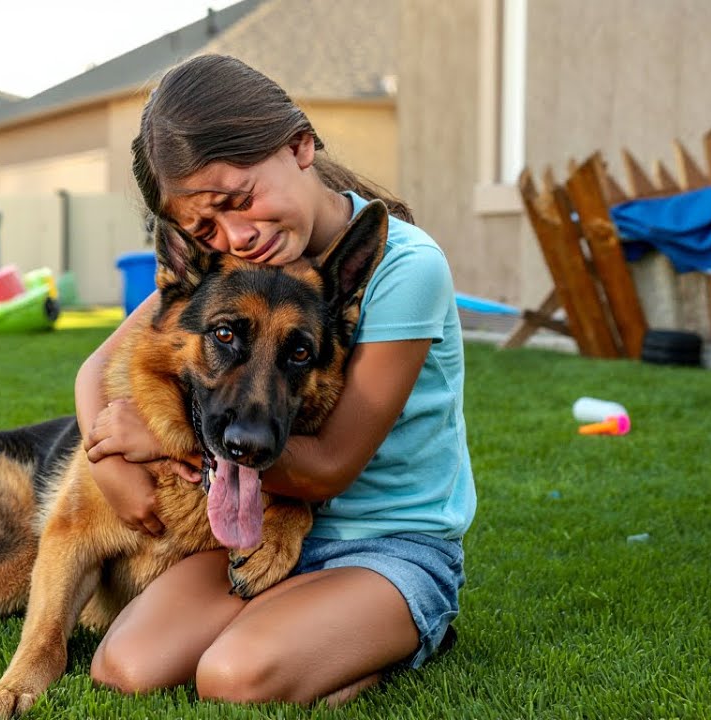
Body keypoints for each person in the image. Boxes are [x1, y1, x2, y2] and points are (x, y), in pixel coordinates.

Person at [73, 54, 475, 707]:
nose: (236, 235)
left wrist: (162, 442)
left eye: (239, 201)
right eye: (205, 226)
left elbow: (328, 470)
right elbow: (95, 371)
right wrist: (109, 460)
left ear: (299, 146)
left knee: (230, 678)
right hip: (260, 532)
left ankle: (405, 630)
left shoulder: (405, 267)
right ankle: (299, 626)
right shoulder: (232, 262)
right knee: (126, 667)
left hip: (384, 544)